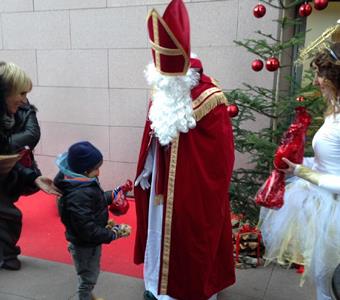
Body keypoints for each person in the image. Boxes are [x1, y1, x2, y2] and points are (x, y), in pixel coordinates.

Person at [133, 1, 235, 299]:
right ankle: (157, 284)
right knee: (158, 232)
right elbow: (154, 132)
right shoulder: (164, 89)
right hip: (160, 190)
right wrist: (149, 167)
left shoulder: (211, 98)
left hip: (194, 192)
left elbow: (219, 159)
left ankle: (190, 289)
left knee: (192, 237)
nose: (164, 83)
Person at [259, 27, 340, 300]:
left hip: (334, 208)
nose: (316, 81)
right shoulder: (333, 112)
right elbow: (329, 161)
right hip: (321, 202)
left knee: (328, 279)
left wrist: (299, 171)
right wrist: (296, 160)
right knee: (322, 277)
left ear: (333, 79)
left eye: (320, 75)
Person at [0, 61, 61, 271]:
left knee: (8, 213)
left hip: (8, 176)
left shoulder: (15, 113)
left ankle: (6, 256)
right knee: (8, 213)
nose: (25, 100)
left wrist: (32, 177)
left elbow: (10, 156)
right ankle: (7, 256)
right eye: (21, 93)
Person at [54, 141, 131, 300]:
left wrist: (111, 196)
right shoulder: (78, 193)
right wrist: (112, 234)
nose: (98, 172)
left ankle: (87, 296)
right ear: (84, 170)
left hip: (88, 241)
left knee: (88, 272)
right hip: (84, 245)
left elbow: (93, 201)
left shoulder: (81, 184)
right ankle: (85, 297)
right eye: (96, 169)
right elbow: (86, 228)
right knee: (89, 276)